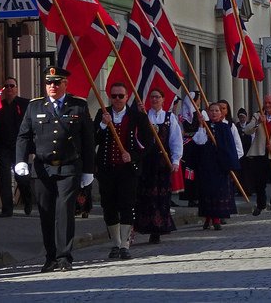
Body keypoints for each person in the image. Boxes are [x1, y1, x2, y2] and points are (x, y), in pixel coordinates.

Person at [14, 67, 95, 273]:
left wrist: (88, 170)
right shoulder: (35, 106)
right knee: (46, 213)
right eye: (49, 83)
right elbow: (24, 135)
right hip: (43, 168)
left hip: (69, 166)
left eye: (57, 83)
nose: (52, 86)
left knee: (65, 212)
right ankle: (50, 257)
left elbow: (88, 140)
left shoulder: (78, 106)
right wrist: (20, 160)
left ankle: (64, 257)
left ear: (65, 84)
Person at [95, 83, 151, 260]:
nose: (117, 99)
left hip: (128, 170)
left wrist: (133, 156)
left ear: (127, 97)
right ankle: (116, 243)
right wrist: (103, 125)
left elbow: (148, 142)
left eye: (121, 96)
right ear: (109, 97)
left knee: (127, 205)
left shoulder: (137, 117)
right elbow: (92, 138)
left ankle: (126, 244)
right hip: (107, 169)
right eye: (114, 96)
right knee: (109, 206)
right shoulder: (102, 114)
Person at [135, 88, 182, 244]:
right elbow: (136, 137)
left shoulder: (169, 118)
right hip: (147, 161)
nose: (154, 100)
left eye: (157, 97)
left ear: (163, 99)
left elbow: (176, 140)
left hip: (163, 162)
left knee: (162, 196)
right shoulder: (144, 117)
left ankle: (159, 228)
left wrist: (175, 161)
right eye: (152, 97)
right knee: (146, 196)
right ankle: (147, 227)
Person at [191, 102, 241, 230]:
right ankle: (207, 217)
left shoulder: (225, 128)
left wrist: (228, 161)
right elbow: (199, 142)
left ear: (221, 113)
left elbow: (229, 147)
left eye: (216, 111)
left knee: (218, 192)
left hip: (219, 166)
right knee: (206, 192)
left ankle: (217, 219)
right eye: (211, 110)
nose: (214, 113)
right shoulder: (204, 126)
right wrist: (202, 125)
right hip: (206, 165)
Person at [0, 77, 33, 217]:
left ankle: (27, 199)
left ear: (17, 88)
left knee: (21, 177)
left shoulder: (25, 104)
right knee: (4, 178)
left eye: (12, 86)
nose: (9, 89)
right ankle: (7, 209)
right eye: (6, 86)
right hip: (4, 147)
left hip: (20, 147)